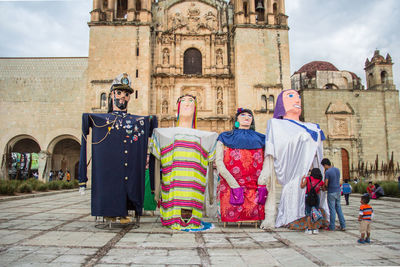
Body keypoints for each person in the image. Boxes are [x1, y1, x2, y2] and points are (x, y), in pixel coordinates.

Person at [79, 73, 158, 225]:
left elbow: (150, 127)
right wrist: (82, 178)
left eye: (126, 94)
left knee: (127, 178)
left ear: (130, 97)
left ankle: (123, 210)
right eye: (119, 92)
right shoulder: (101, 120)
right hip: (109, 166)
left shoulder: (137, 121)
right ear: (112, 94)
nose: (123, 96)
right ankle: (110, 211)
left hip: (128, 166)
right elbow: (85, 128)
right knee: (110, 177)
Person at [260, 89, 327, 229]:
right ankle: (294, 217)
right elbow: (271, 152)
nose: (297, 100)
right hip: (292, 180)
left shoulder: (313, 127)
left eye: (298, 97)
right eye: (291, 96)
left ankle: (315, 219)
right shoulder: (275, 125)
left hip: (307, 182)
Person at [149, 94, 218, 230]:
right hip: (172, 189)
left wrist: (211, 195)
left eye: (191, 101)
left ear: (196, 108)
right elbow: (156, 164)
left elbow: (210, 168)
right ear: (177, 108)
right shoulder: (162, 134)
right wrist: (156, 190)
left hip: (193, 190)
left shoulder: (207, 137)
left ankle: (191, 219)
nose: (187, 104)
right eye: (183, 101)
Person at [216, 108, 268, 225]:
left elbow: (267, 160)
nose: (246, 117)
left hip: (254, 184)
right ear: (237, 119)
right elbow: (219, 160)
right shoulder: (225, 137)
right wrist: (233, 183)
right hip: (230, 184)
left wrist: (262, 181)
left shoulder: (262, 138)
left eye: (250, 116)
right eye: (243, 115)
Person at [322, 158, 346, 231]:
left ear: (325, 165)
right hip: (338, 191)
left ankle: (332, 226)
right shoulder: (337, 170)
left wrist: (324, 188)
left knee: (332, 210)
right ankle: (343, 225)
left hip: (331, 192)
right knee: (339, 208)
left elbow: (326, 183)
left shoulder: (328, 172)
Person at [300, 168, 325, 234]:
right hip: (316, 197)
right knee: (315, 212)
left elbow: (302, 186)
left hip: (308, 196)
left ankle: (309, 228)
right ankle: (315, 228)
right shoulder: (320, 181)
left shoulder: (308, 179)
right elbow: (323, 188)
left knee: (308, 213)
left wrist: (302, 179)